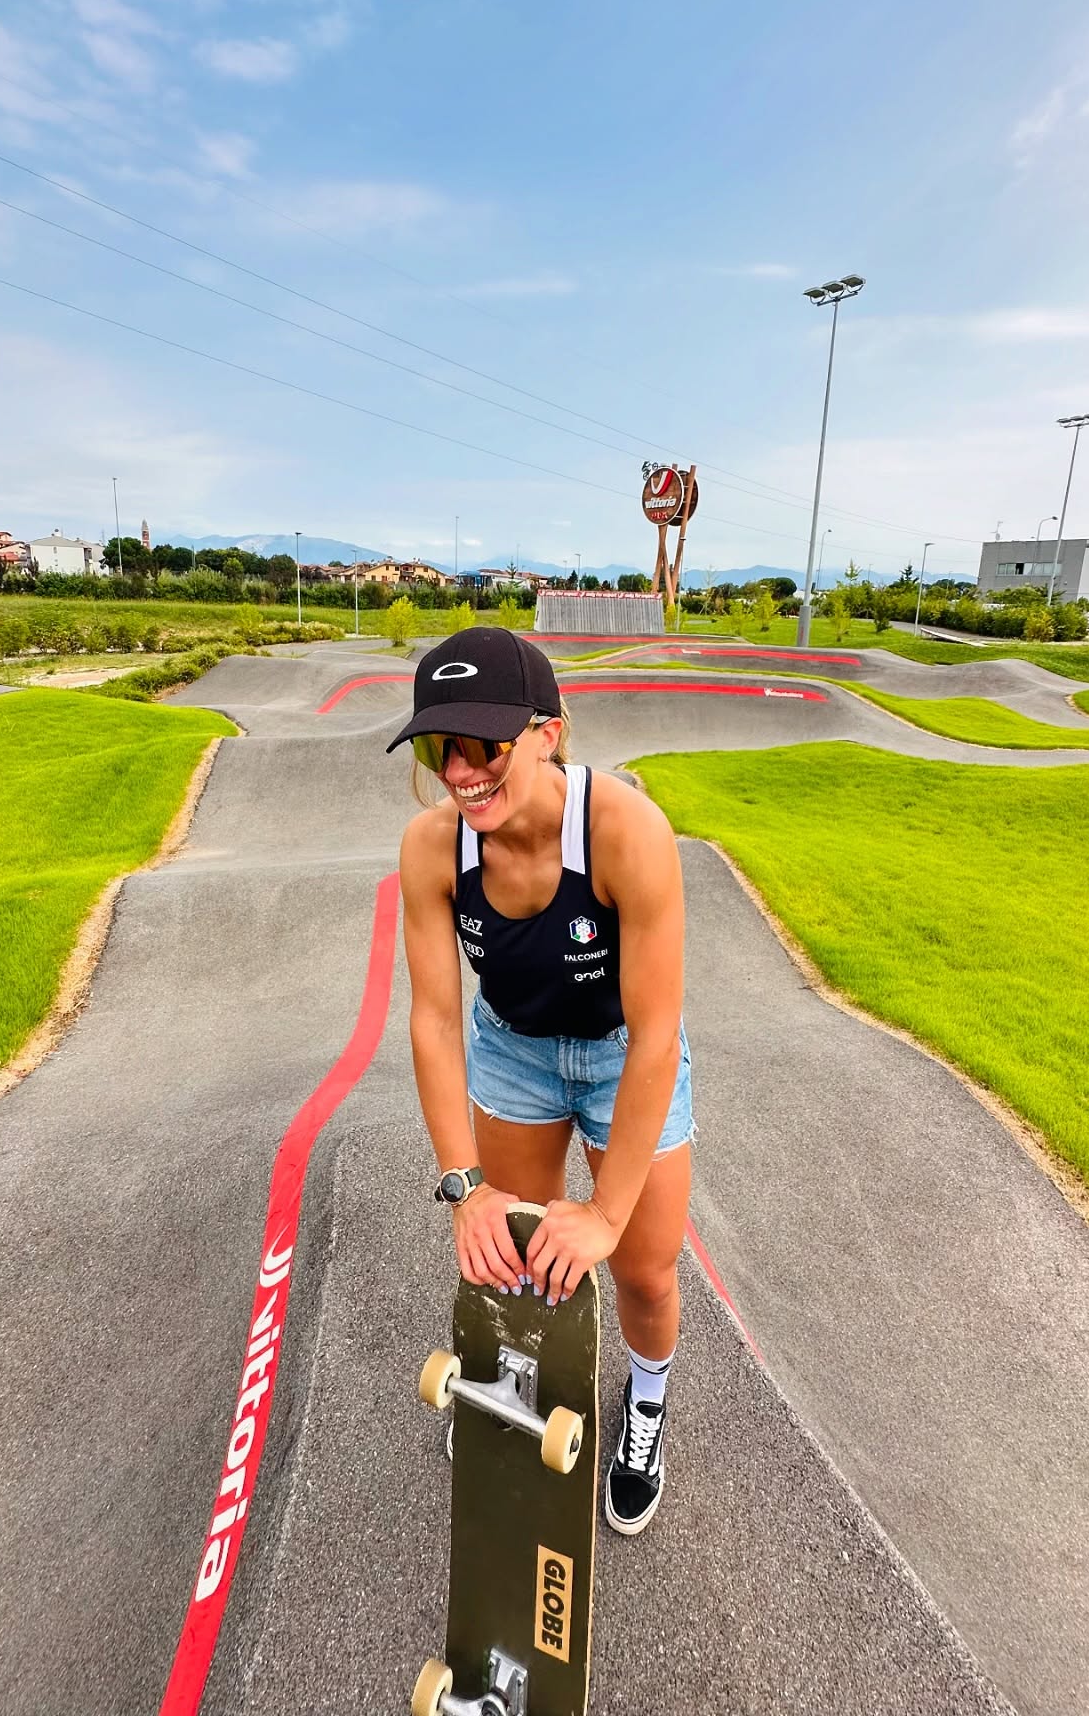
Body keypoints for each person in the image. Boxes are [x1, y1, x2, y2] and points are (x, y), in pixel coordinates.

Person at [390, 626, 694, 1535]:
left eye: (487, 745)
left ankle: (644, 1406)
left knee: (641, 1266)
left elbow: (656, 1034)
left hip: (618, 1054)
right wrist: (463, 1189)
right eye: (445, 747)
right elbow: (437, 1021)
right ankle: (520, 1381)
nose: (462, 770)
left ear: (549, 732)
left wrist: (603, 1213)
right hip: (515, 1050)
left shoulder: (625, 832)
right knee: (514, 1247)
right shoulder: (430, 849)